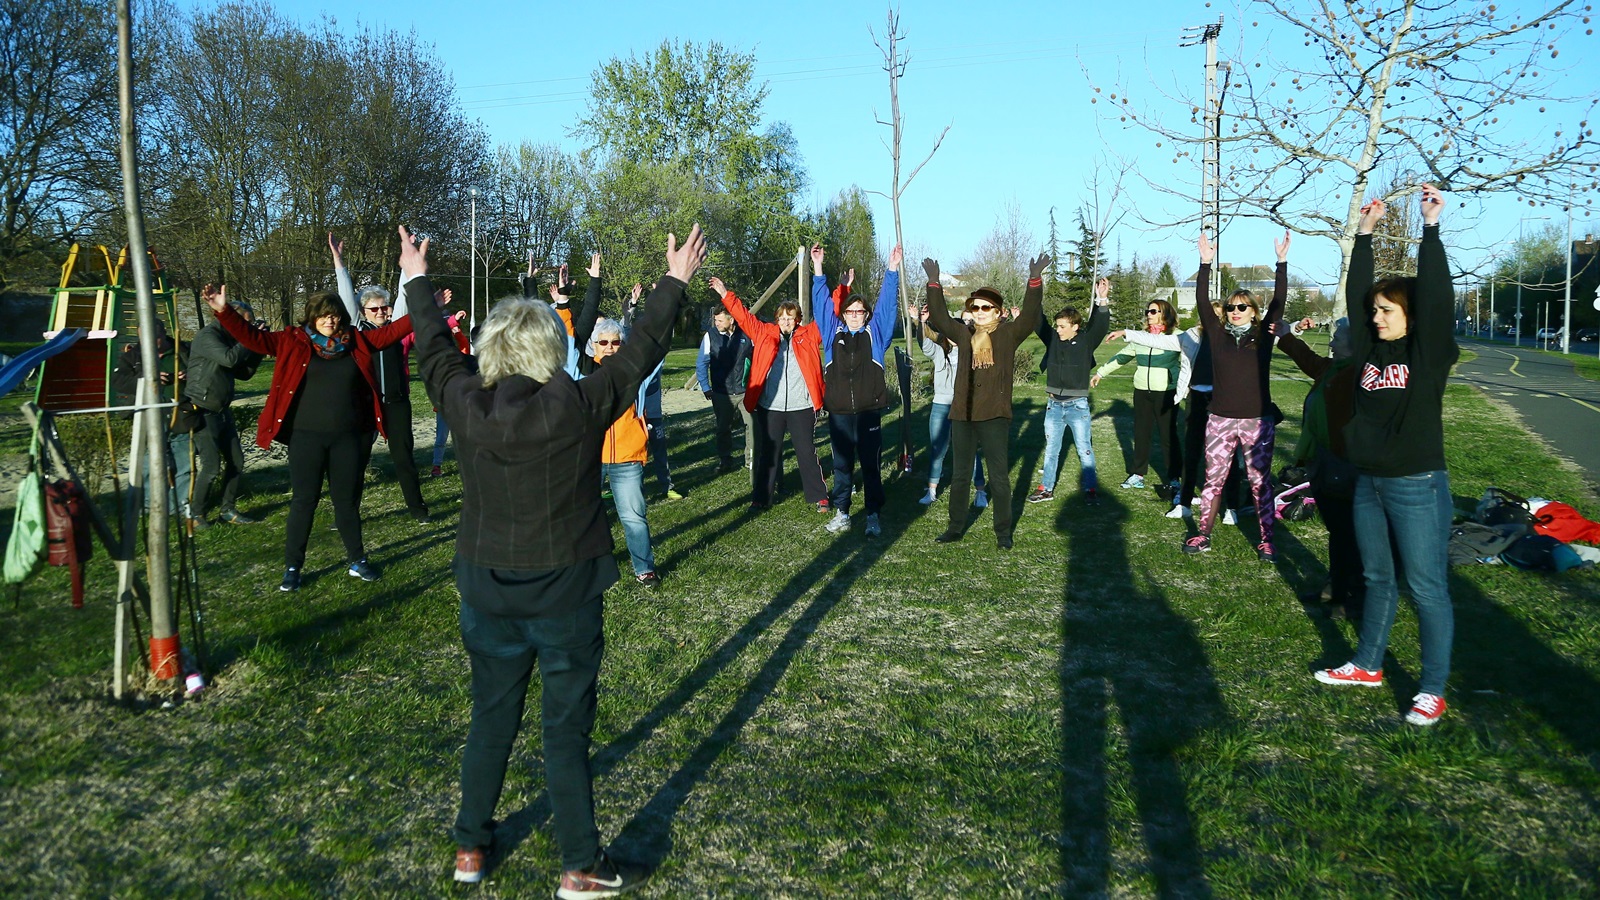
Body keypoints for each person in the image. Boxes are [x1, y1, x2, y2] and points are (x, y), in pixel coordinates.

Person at [407, 222, 705, 893]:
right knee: (563, 729)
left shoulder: (464, 402)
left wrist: (415, 280)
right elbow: (639, 352)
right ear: (553, 350)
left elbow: (432, 352)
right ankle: (578, 865)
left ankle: (470, 851)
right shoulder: (577, 401)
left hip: (488, 589)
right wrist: (675, 280)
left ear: (488, 351)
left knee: (491, 719)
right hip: (566, 594)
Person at [1315, 185, 1458, 728]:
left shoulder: (1428, 352)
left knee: (1425, 587)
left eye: (1386, 310)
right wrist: (1365, 235)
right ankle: (1369, 664)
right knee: (1377, 578)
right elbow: (1355, 296)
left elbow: (1438, 299)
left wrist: (1430, 231)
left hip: (1416, 483)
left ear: (1410, 315)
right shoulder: (1371, 351)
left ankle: (1432, 689)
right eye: (1374, 311)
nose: (1375, 318)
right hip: (1368, 482)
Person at [204, 282, 412, 592]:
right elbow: (254, 339)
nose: (331, 322)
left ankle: (357, 560)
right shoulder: (293, 340)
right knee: (304, 502)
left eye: (336, 316)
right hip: (306, 439)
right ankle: (292, 567)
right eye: (324, 316)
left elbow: (391, 333)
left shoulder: (356, 341)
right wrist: (224, 311)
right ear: (311, 318)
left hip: (350, 438)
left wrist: (425, 304)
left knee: (347, 502)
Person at [921, 252, 1050, 549]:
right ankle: (955, 527)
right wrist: (933, 283)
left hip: (994, 415)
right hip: (962, 415)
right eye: (975, 307)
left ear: (998, 312)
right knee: (961, 474)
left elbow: (1030, 316)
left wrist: (1034, 281)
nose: (979, 312)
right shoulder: (964, 334)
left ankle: (1003, 532)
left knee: (999, 477)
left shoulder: (1008, 334)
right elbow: (939, 318)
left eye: (985, 307)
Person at [1181, 230, 1290, 561]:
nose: (1235, 311)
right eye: (1230, 308)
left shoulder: (1263, 337)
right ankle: (1203, 534)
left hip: (1258, 423)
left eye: (1242, 307)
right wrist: (1204, 263)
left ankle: (1267, 539)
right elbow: (1201, 300)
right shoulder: (1217, 336)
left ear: (1253, 311)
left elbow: (1279, 302)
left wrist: (1281, 263)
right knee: (1213, 482)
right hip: (1220, 421)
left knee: (1260, 483)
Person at [330, 233, 429, 522]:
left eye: (384, 307)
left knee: (404, 458)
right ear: (363, 312)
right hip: (365, 405)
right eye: (375, 308)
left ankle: (418, 509)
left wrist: (406, 263)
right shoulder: (357, 331)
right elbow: (346, 298)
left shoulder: (394, 328)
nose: (382, 312)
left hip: (396, 402)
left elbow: (405, 296)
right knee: (356, 461)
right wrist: (339, 263)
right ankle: (348, 514)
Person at [711, 275, 829, 511]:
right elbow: (743, 315)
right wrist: (725, 293)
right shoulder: (764, 333)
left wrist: (833, 282)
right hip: (770, 406)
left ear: (798, 320)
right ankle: (761, 497)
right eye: (782, 318)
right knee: (768, 453)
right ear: (776, 319)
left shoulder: (810, 335)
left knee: (806, 451)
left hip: (801, 406)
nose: (786, 322)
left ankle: (820, 496)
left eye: (790, 318)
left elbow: (828, 313)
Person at [1276, 315, 1364, 620]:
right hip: (1325, 460)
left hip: (1349, 464)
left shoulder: (1358, 375)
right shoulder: (1333, 369)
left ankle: (1354, 595)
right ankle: (1334, 586)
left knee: (1352, 532)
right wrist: (1286, 336)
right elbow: (1307, 359)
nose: (1332, 340)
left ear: (1354, 344)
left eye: (1338, 337)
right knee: (1337, 531)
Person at [811, 243, 901, 537]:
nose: (853, 315)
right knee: (842, 466)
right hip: (838, 414)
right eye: (849, 311)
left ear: (866, 315)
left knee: (871, 467)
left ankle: (873, 514)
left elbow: (888, 306)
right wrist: (818, 268)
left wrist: (892, 271)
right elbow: (822, 302)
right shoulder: (832, 333)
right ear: (844, 313)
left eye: (859, 311)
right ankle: (842, 512)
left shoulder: (875, 335)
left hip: (867, 413)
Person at [587, 316, 663, 587]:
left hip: (627, 457)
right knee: (584, 516)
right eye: (603, 342)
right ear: (593, 346)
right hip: (589, 458)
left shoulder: (634, 373)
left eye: (615, 342)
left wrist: (669, 300)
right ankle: (588, 566)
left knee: (633, 516)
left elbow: (656, 347)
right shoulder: (583, 373)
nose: (609, 347)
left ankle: (644, 568)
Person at [183, 294, 264, 529]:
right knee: (211, 466)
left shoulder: (229, 338)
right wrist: (249, 339)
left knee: (236, 461)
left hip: (221, 408)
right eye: (245, 323)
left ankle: (227, 509)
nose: (246, 327)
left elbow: (244, 373)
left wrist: (257, 346)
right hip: (202, 408)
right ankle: (196, 514)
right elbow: (229, 360)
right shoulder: (208, 336)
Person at [1028, 277, 1111, 505]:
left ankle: (1091, 490)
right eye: (1057, 326)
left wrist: (1102, 299)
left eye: (1062, 326)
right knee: (1051, 450)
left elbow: (1100, 324)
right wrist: (1034, 289)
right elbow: (1039, 321)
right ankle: (1046, 488)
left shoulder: (1086, 341)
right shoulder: (1053, 339)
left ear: (1075, 327)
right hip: (1053, 406)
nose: (1058, 330)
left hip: (1077, 406)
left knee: (1084, 450)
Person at [1092, 298, 1182, 493]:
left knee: (1168, 437)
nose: (1149, 315)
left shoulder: (1177, 336)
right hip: (1142, 391)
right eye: (1147, 311)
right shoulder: (1141, 337)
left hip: (1166, 392)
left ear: (1164, 313)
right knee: (1141, 434)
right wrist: (1101, 372)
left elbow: (1192, 361)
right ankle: (1137, 474)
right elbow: (1122, 357)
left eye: (1153, 311)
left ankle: (1174, 478)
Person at [908, 302, 986, 507]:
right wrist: (920, 323)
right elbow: (923, 342)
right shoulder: (939, 352)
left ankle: (980, 491)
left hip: (964, 406)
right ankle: (931, 491)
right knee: (937, 449)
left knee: (970, 450)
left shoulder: (972, 353)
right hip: (941, 406)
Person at [624, 283, 682, 501]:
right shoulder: (631, 347)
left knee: (659, 450)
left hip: (653, 409)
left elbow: (665, 324)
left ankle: (666, 486)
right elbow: (627, 326)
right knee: (633, 452)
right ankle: (629, 488)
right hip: (634, 410)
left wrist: (665, 299)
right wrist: (634, 304)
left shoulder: (658, 349)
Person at [697, 304, 753, 473]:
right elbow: (701, 364)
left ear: (731, 319)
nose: (717, 323)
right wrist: (706, 387)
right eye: (715, 320)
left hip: (745, 392)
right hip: (721, 393)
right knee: (723, 429)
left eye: (720, 320)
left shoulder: (747, 333)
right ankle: (725, 461)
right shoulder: (710, 336)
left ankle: (751, 460)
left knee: (751, 427)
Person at [425, 288, 471, 477]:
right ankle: (437, 465)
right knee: (441, 438)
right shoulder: (436, 355)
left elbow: (463, 344)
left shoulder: (461, 351)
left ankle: (467, 466)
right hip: (443, 403)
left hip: (459, 402)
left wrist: (457, 327)